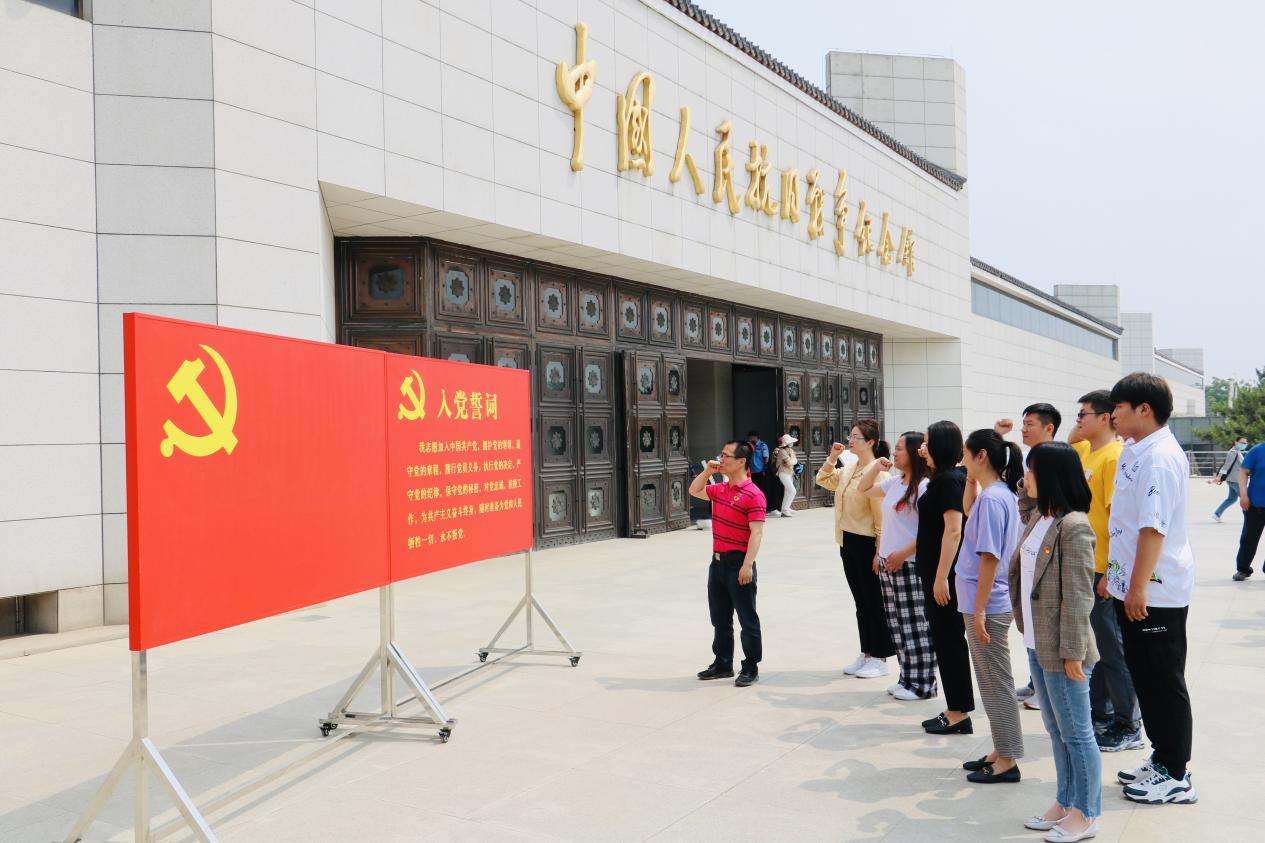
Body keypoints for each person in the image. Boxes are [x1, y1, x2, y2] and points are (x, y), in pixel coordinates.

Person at [1106, 373, 1197, 804]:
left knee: (1163, 681)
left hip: (1155, 592)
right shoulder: (1135, 450)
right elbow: (1124, 523)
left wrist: (1138, 586)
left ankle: (1176, 773)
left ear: (1144, 409)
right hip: (1134, 585)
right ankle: (1161, 758)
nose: (1112, 415)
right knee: (1145, 678)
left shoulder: (1158, 457)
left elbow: (1152, 529)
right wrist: (1115, 577)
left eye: (1118, 408)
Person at [1011, 442, 1101, 842]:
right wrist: (1025, 474)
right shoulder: (1039, 515)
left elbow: (1080, 597)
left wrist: (1073, 653)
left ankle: (1086, 812)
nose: (1025, 477)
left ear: (1049, 476)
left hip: (1064, 648)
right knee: (1055, 728)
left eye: (1032, 470)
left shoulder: (1074, 526)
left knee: (1077, 733)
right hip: (1037, 641)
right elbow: (1023, 499)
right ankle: (1065, 801)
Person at [1069, 390, 1140, 753]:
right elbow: (1070, 441)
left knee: (1113, 650)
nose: (1078, 420)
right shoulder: (1086, 450)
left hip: (1103, 571)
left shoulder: (1113, 457)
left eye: (1083, 414)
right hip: (1086, 566)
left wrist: (1112, 575)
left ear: (1104, 418)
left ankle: (1129, 724)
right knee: (1095, 647)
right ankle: (1102, 714)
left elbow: (1120, 523)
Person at [860, 430, 937, 700]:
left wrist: (902, 554)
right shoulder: (896, 482)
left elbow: (929, 531)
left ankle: (923, 684)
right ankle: (906, 678)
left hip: (909, 564)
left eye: (900, 448)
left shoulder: (924, 486)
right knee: (897, 624)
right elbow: (863, 490)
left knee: (915, 625)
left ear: (915, 453)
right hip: (888, 563)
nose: (894, 452)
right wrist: (875, 468)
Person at [815, 422, 896, 679]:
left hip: (867, 542)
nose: (851, 440)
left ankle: (881, 658)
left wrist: (879, 551)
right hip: (847, 540)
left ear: (870, 442)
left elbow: (881, 516)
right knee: (860, 602)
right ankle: (867, 652)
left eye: (856, 437)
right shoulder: (850, 467)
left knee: (874, 602)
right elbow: (822, 479)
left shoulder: (878, 473)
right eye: (850, 436)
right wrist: (832, 457)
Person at [688, 440, 766, 687]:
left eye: (726, 456)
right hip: (718, 563)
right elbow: (694, 490)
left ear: (741, 461)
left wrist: (747, 565)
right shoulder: (720, 489)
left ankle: (750, 667)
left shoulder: (754, 494)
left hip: (739, 563)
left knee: (747, 619)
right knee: (720, 619)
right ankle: (722, 663)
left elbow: (757, 533)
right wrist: (707, 472)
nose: (721, 459)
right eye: (721, 454)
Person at [915, 421, 975, 736]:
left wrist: (941, 577)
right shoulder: (942, 478)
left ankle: (959, 712)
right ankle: (955, 708)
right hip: (936, 572)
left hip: (945, 576)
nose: (921, 448)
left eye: (926, 442)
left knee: (949, 641)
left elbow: (954, 530)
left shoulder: (951, 480)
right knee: (944, 639)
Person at [1001, 403, 1061, 711]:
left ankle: (1046, 686)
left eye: (1030, 424)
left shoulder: (1056, 459)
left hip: (1048, 550)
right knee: (1030, 623)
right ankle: (1037, 682)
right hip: (1030, 546)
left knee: (1045, 622)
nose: (1023, 429)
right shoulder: (1029, 459)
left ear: (1049, 428)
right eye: (1023, 423)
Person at [1233, 439, 1265, 581]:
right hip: (1255, 505)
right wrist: (1244, 494)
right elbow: (1243, 472)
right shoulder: (1257, 450)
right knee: (1249, 538)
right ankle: (1243, 569)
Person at [1213, 435, 1249, 522]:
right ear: (1236, 442)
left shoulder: (1237, 452)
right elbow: (1226, 466)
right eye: (1242, 443)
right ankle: (1249, 518)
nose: (1244, 444)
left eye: (1245, 443)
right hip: (1236, 480)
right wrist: (1219, 477)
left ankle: (1217, 514)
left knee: (1232, 499)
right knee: (1246, 499)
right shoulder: (1233, 452)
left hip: (1233, 480)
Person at [772, 433, 799, 517]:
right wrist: (792, 461)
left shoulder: (790, 450)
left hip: (790, 472)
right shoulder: (781, 451)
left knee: (787, 491)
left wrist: (792, 461)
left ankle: (785, 508)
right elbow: (790, 462)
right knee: (793, 491)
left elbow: (794, 461)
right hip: (783, 473)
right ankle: (785, 509)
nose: (792, 443)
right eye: (790, 442)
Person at [747, 430, 772, 502]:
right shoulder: (749, 446)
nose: (749, 439)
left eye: (750, 437)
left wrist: (764, 468)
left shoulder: (763, 445)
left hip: (760, 472)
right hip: (751, 472)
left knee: (761, 489)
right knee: (752, 489)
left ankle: (762, 503)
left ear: (755, 437)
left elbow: (766, 459)